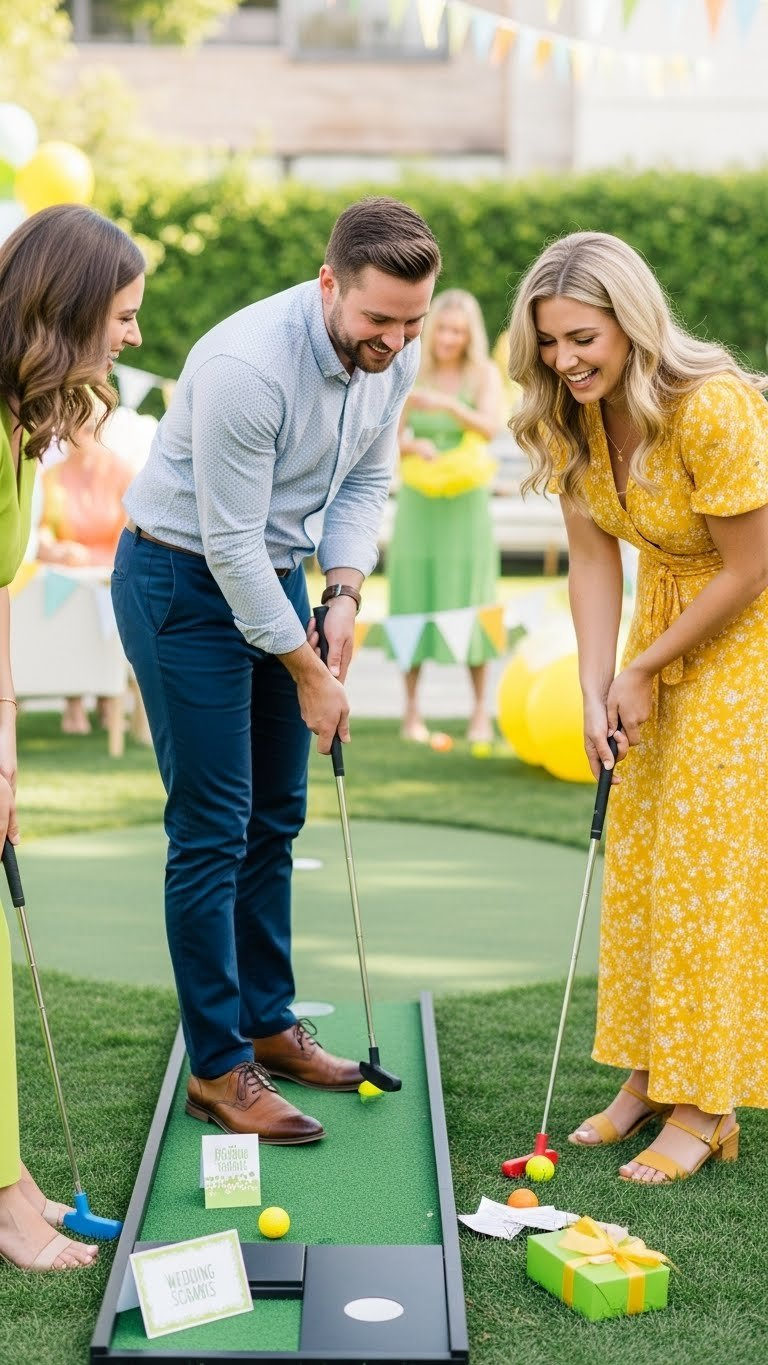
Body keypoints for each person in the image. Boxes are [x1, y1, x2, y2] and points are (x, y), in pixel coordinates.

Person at [112, 196, 440, 1143]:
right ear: (329, 282)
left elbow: (368, 479)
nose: (396, 339)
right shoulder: (246, 367)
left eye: (412, 321)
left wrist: (342, 592)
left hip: (273, 577)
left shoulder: (398, 347)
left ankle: (268, 1019)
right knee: (214, 825)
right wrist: (307, 667)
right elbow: (229, 544)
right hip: (180, 579)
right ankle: (219, 1066)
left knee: (277, 814)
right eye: (379, 319)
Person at [508, 229, 768, 1183]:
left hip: (744, 643)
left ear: (631, 321)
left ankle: (708, 1104)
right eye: (549, 341)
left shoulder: (715, 407)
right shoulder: (578, 418)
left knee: (707, 867)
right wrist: (594, 682)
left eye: (583, 337)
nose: (565, 359)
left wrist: (647, 666)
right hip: (657, 636)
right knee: (647, 860)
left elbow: (749, 568)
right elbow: (590, 557)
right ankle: (651, 1073)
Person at [0, 203, 144, 1268]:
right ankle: (9, 1205)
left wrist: (4, 744)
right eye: (125, 315)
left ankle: (15, 1185)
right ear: (70, 309)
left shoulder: (20, 427)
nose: (134, 337)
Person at [387, 289, 504, 745]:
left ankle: (480, 712)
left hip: (466, 504)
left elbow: (491, 427)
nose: (449, 338)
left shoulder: (484, 374)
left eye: (459, 331)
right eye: (443, 329)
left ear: (470, 335)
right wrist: (414, 446)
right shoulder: (410, 368)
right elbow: (389, 437)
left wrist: (447, 407)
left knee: (472, 598)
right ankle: (411, 710)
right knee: (413, 597)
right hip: (420, 500)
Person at [36, 402, 134, 734]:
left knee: (104, 609)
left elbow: (130, 533)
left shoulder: (123, 473)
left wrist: (92, 558)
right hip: (68, 573)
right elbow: (45, 526)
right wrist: (56, 549)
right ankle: (73, 698)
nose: (81, 436)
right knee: (66, 611)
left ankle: (109, 697)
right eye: (74, 429)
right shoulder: (53, 476)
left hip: (111, 570)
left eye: (89, 428)